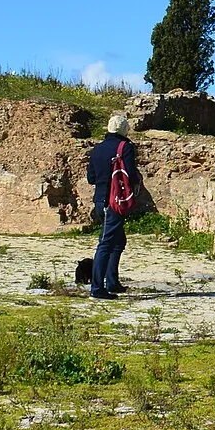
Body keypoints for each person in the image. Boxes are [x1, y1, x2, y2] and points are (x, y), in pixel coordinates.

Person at [86, 112, 142, 298]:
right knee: (106, 243)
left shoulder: (97, 149)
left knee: (118, 241)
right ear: (124, 130)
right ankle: (97, 288)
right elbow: (131, 174)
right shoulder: (124, 147)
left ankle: (112, 282)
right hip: (114, 201)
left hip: (99, 199)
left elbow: (91, 178)